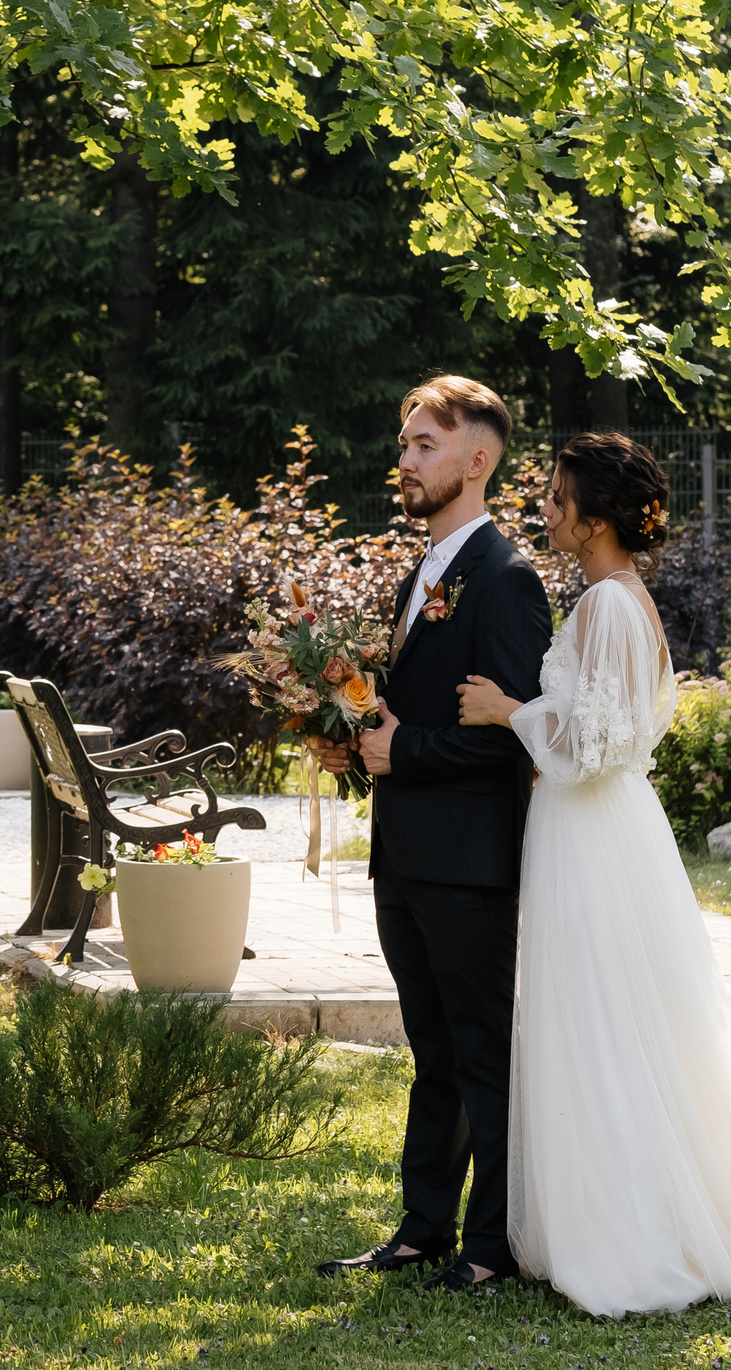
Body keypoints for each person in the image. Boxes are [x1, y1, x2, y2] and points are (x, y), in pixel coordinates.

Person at [454, 432, 731, 1316]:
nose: (546, 508)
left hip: (594, 831)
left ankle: (632, 1230)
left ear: (595, 519)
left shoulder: (610, 608)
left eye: (557, 497)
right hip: (595, 830)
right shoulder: (617, 601)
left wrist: (509, 713)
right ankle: (616, 1205)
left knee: (605, 1018)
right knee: (614, 1014)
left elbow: (600, 745)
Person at [309, 377, 552, 1293]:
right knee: (432, 1050)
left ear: (476, 460)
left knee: (482, 1054)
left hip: (470, 864)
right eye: (404, 444)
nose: (403, 459)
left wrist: (404, 752)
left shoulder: (507, 578)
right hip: (406, 857)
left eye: (422, 445)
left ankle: (491, 1245)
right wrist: (355, 743)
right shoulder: (423, 574)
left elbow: (513, 738)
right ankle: (423, 1228)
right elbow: (407, 714)